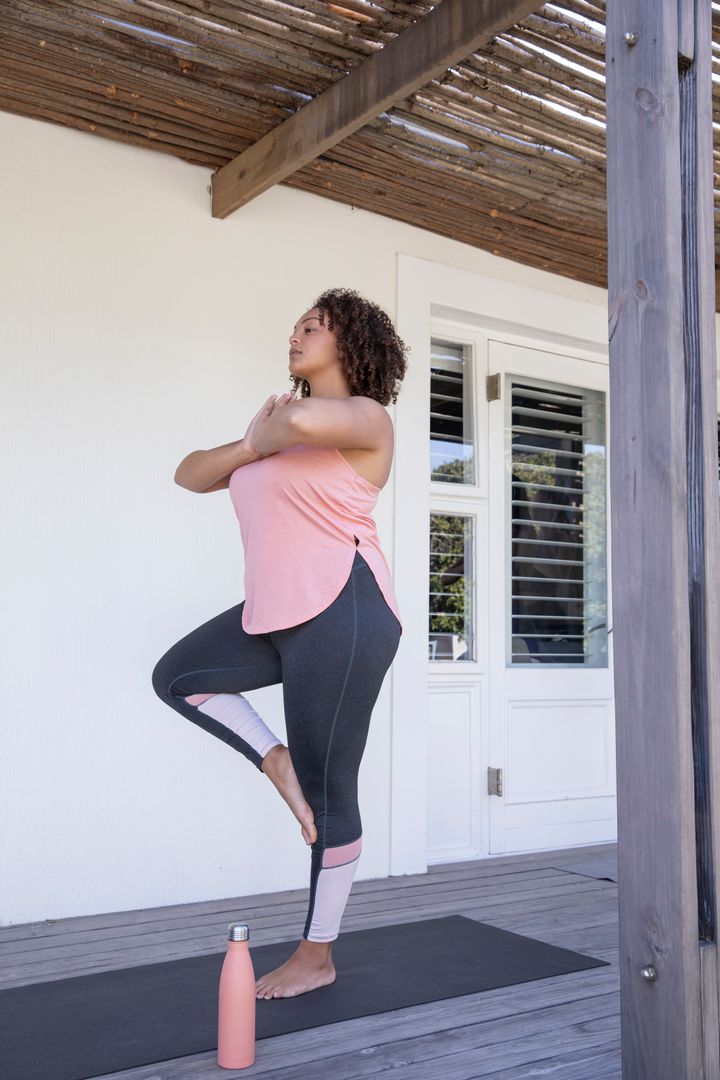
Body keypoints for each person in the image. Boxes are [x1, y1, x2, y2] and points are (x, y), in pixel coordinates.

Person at [151, 287, 409, 999]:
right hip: (277, 612)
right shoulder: (276, 433)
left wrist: (270, 430)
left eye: (314, 327)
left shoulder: (365, 418)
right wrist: (251, 443)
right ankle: (276, 758)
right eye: (296, 325)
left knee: (332, 795)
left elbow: (297, 418)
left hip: (345, 609)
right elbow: (191, 472)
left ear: (350, 345)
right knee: (179, 676)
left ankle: (316, 954)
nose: (296, 334)